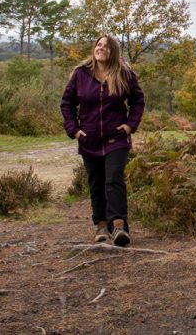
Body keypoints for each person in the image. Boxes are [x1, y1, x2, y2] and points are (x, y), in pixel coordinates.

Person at [60, 35, 144, 246]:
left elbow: (138, 101)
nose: (101, 48)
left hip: (116, 138)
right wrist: (74, 130)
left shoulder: (124, 74)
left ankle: (118, 227)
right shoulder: (81, 74)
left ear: (113, 51)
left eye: (106, 46)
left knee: (113, 179)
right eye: (99, 45)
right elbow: (66, 104)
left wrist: (129, 125)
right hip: (89, 139)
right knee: (96, 183)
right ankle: (100, 226)